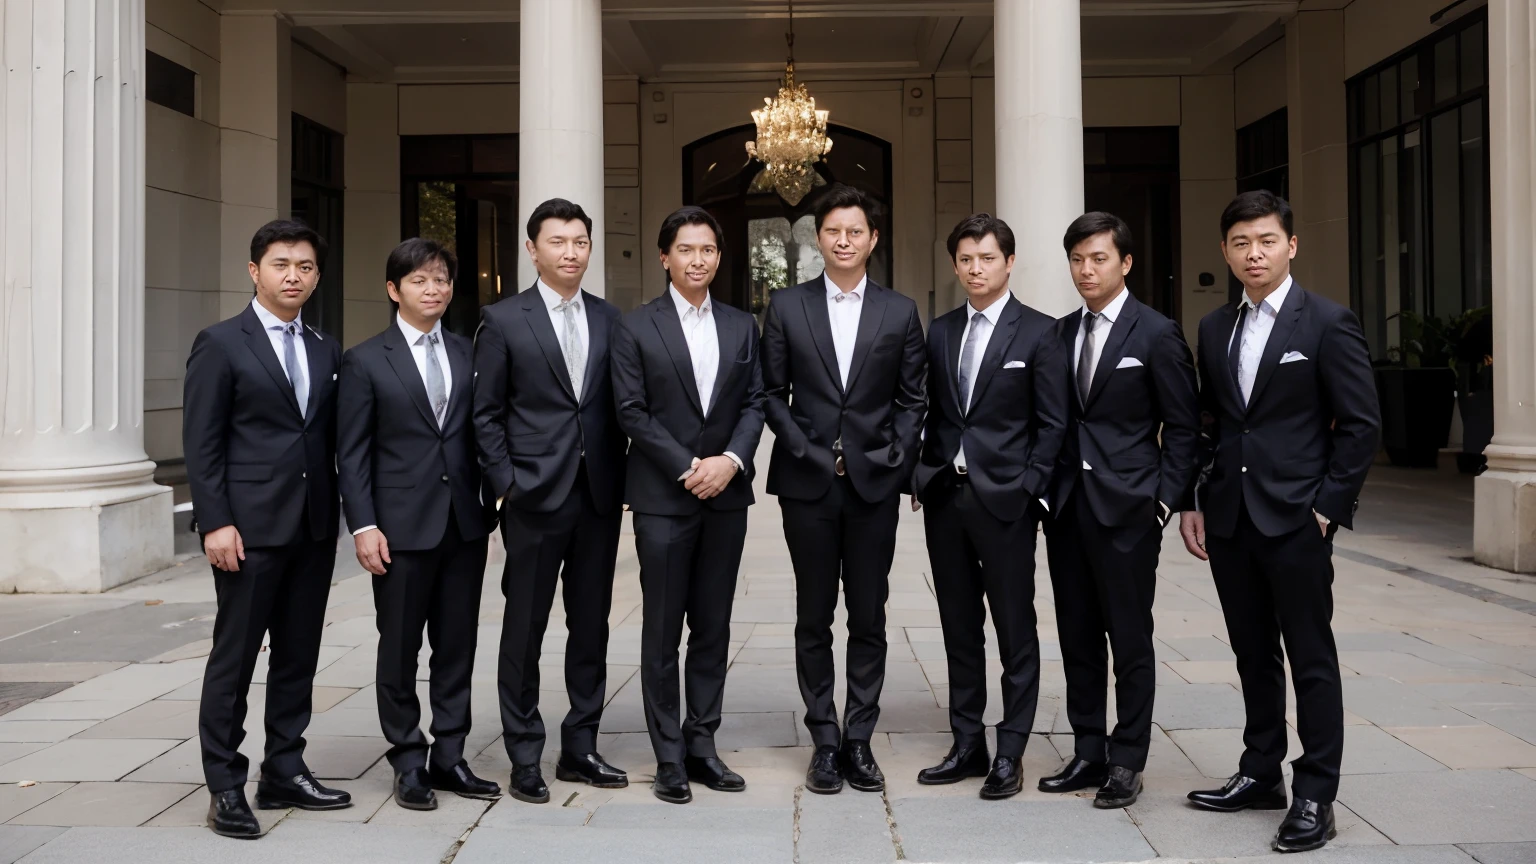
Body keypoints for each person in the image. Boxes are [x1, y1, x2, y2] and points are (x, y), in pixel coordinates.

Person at [1179, 191, 1379, 853]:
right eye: (1240, 243)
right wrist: (1200, 499)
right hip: (1232, 520)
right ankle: (1260, 770)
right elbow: (1213, 420)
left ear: (1290, 245)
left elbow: (1359, 425)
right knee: (1251, 654)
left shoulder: (1327, 323)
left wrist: (1326, 509)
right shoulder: (1215, 328)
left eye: (1265, 241)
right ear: (1226, 251)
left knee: (1310, 658)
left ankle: (1315, 792)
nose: (1253, 253)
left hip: (1297, 519)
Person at [184, 220, 351, 838]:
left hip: (311, 529)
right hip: (246, 532)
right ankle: (225, 784)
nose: (294, 276)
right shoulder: (221, 343)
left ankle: (284, 768)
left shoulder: (325, 349)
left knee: (298, 656)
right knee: (235, 658)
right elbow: (202, 444)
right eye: (281, 264)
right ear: (254, 271)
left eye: (305, 267)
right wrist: (216, 521)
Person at [760, 183, 926, 795]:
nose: (844, 240)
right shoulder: (786, 306)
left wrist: (895, 455)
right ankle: (824, 740)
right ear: (818, 237)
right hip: (806, 483)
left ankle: (860, 737)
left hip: (872, 484)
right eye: (833, 231)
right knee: (813, 615)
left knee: (868, 613)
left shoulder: (900, 311)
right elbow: (771, 393)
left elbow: (913, 398)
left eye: (855, 231)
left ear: (872, 239)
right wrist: (804, 449)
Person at [1039, 212, 1200, 809]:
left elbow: (1185, 427)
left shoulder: (1156, 333)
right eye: (1077, 259)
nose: (1086, 270)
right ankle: (1087, 748)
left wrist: (1164, 502)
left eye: (1098, 258)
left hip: (1130, 510)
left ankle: (1127, 758)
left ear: (1125, 263)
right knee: (1077, 634)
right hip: (1066, 509)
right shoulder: (1057, 334)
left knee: (1129, 637)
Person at [473, 199, 628, 803]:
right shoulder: (504, 319)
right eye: (558, 241)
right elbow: (485, 414)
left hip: (597, 496)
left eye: (581, 241)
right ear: (532, 249)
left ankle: (581, 746)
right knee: (525, 625)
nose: (571, 252)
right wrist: (507, 483)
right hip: (533, 496)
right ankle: (524, 751)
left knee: (590, 625)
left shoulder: (612, 319)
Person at [337, 238, 500, 811]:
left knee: (457, 646)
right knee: (400, 647)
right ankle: (408, 758)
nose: (433, 290)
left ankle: (450, 754)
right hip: (399, 529)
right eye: (419, 281)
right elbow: (351, 453)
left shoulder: (468, 350)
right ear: (393, 290)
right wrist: (363, 526)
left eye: (441, 280)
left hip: (464, 525)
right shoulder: (364, 359)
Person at [611, 206, 766, 804]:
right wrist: (686, 467)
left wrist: (730, 461)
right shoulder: (636, 327)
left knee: (713, 627)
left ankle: (703, 744)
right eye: (686, 250)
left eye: (707, 250)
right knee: (662, 629)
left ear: (718, 257)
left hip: (726, 496)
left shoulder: (741, 324)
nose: (697, 260)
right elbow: (630, 411)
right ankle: (668, 756)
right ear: (664, 257)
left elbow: (756, 403)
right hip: (663, 498)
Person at [911, 213, 1068, 799]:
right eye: (966, 260)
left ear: (1009, 262)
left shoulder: (1040, 332)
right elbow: (926, 408)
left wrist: (1028, 486)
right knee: (958, 625)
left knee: (1013, 626)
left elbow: (1053, 422)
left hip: (1007, 501)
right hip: (946, 498)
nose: (976, 269)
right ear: (955, 265)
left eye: (987, 258)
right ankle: (967, 741)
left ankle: (1012, 748)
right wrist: (921, 475)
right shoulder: (941, 330)